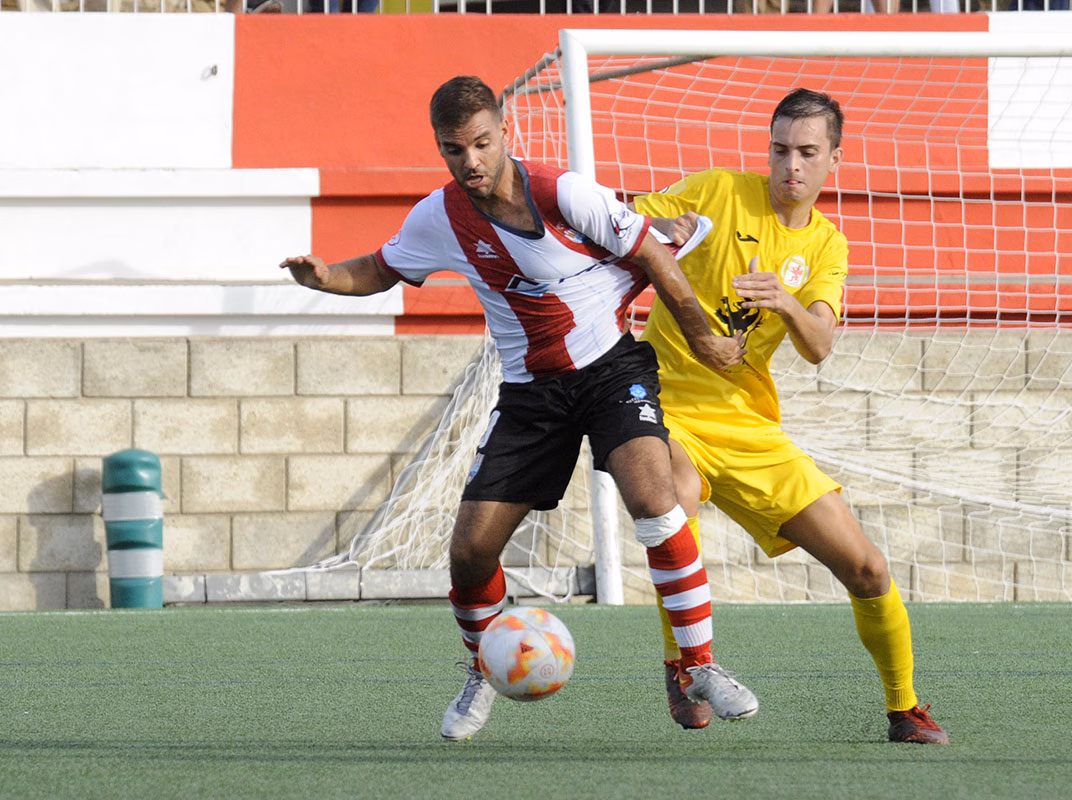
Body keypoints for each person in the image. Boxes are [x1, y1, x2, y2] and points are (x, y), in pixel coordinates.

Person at [280, 75, 760, 742]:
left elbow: (650, 254)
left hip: (611, 370)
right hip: (532, 395)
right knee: (470, 554)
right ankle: (484, 663)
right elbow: (383, 267)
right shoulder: (438, 217)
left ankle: (695, 666)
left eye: (481, 143)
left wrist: (704, 336)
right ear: (440, 148)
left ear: (504, 132)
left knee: (656, 499)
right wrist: (326, 277)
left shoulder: (564, 191)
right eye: (454, 149)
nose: (470, 160)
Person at [630, 87, 948, 744]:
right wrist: (666, 232)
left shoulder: (829, 247)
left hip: (750, 427)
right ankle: (685, 664)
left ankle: (904, 708)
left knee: (867, 568)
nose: (790, 166)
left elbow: (819, 345)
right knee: (673, 503)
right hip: (666, 408)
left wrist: (786, 303)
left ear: (834, 157)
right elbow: (621, 223)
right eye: (780, 150)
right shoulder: (717, 191)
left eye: (807, 152)